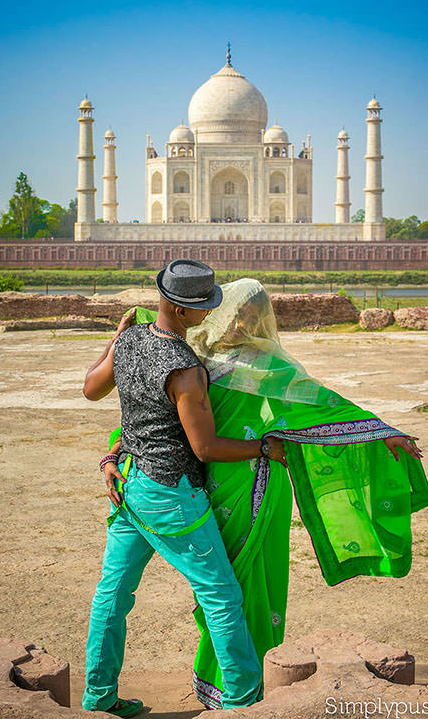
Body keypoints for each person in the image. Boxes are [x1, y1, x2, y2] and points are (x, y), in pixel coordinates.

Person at [102, 278, 428, 709]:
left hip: (256, 481)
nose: (246, 321)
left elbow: (322, 403)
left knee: (248, 583)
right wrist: (112, 450)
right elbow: (149, 413)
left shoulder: (269, 368)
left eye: (255, 315)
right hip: (204, 480)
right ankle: (227, 690)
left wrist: (380, 431)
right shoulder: (192, 354)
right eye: (239, 312)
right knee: (219, 593)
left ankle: (238, 689)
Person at [82, 260, 284, 716]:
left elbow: (91, 389)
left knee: (112, 595)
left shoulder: (131, 338)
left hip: (128, 485)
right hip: (170, 492)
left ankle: (98, 696)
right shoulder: (185, 368)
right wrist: (262, 449)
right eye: (203, 308)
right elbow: (207, 446)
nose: (209, 315)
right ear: (180, 309)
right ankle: (241, 701)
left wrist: (114, 342)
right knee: (222, 596)